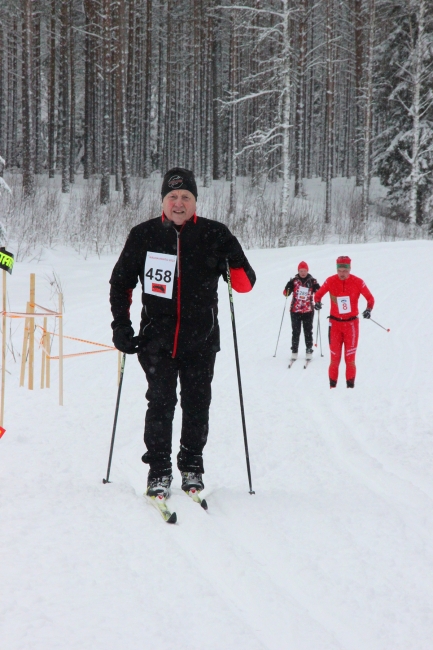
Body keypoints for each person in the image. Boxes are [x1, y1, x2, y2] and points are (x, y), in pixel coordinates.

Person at [109, 167, 256, 502]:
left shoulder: (214, 234)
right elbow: (121, 283)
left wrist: (233, 258)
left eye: (185, 197)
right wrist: (121, 325)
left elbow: (245, 284)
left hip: (201, 340)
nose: (178, 203)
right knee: (160, 403)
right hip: (156, 340)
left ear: (194, 201)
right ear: (163, 200)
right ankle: (159, 471)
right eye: (172, 197)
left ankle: (192, 467)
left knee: (196, 404)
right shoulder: (144, 235)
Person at [314, 255, 374, 388]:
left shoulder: (358, 282)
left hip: (351, 325)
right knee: (334, 360)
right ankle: (332, 388)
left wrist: (368, 309)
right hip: (334, 325)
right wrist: (317, 302)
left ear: (350, 269)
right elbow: (318, 295)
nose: (342, 274)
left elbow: (370, 298)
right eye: (340, 270)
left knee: (350, 360)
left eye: (345, 271)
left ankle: (350, 389)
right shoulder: (330, 281)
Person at [283, 261, 320, 361]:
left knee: (308, 331)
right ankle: (294, 351)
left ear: (307, 271)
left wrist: (318, 299)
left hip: (308, 311)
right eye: (301, 271)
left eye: (304, 271)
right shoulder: (294, 281)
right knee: (296, 331)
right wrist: (288, 289)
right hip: (295, 310)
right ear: (298, 271)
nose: (303, 272)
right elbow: (285, 293)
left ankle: (309, 350)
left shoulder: (312, 281)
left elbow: (319, 293)